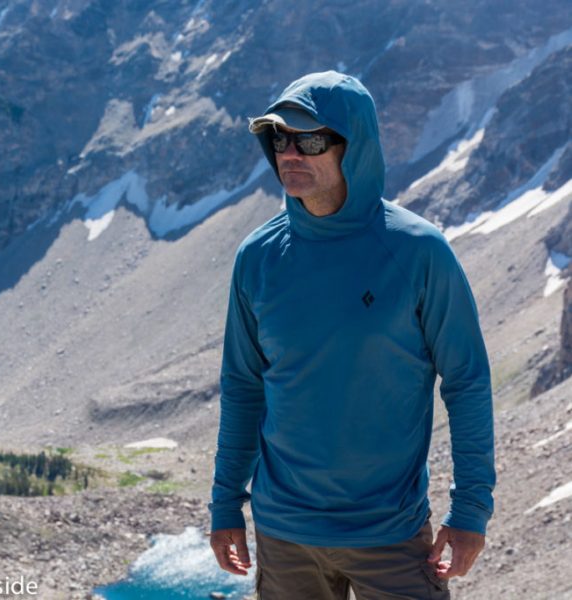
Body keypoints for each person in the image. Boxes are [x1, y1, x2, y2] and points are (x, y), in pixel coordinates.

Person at [207, 71, 495, 599]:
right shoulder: (257, 257)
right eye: (279, 138)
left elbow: (467, 381)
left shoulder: (418, 252)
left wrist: (471, 510)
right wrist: (226, 503)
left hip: (392, 536)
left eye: (311, 139)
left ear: (352, 146)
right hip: (284, 536)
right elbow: (243, 386)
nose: (289, 153)